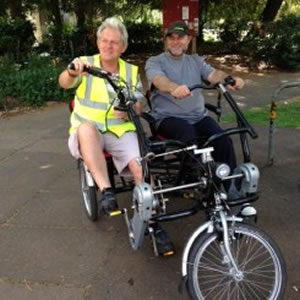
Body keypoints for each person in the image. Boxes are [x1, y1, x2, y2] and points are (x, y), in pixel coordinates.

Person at [59, 17, 144, 215]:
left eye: (114, 42)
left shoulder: (131, 71)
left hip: (121, 131)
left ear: (123, 47)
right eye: (104, 41)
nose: (108, 46)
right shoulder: (84, 64)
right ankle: (107, 190)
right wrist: (71, 73)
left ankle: (148, 214)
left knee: (142, 167)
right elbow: (64, 82)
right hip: (89, 132)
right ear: (98, 43)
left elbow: (139, 105)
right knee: (86, 129)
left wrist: (131, 108)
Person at [145, 20, 245, 182]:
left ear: (188, 40)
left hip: (198, 117)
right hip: (167, 119)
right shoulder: (155, 61)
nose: (176, 42)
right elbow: (158, 80)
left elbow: (213, 75)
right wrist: (173, 88)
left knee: (223, 140)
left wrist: (229, 79)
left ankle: (228, 184)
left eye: (181, 38)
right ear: (166, 40)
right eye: (172, 38)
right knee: (189, 138)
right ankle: (196, 180)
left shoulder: (196, 61)